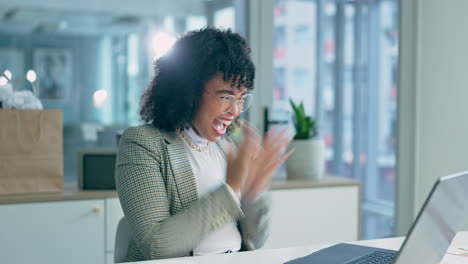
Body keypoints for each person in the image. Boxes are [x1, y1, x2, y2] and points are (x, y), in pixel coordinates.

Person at [115, 28, 294, 261]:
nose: (235, 111)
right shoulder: (143, 144)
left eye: (241, 98)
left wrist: (253, 193)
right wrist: (231, 187)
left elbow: (255, 241)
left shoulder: (229, 147)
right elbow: (156, 247)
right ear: (188, 91)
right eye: (225, 97)